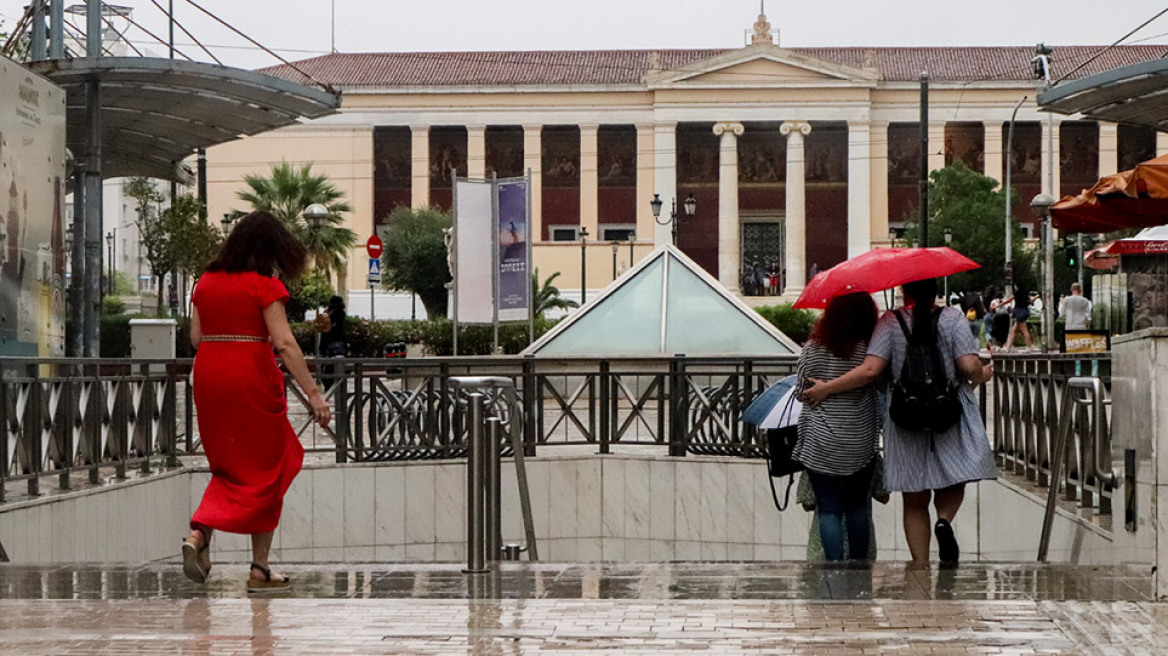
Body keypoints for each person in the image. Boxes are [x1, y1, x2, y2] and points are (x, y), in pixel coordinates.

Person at [182, 211, 332, 591]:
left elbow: (197, 339)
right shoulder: (264, 285)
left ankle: (200, 534)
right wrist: (314, 394)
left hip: (210, 377)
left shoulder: (205, 282)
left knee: (230, 466)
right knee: (270, 465)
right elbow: (284, 343)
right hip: (251, 377)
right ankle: (258, 566)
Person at [804, 278, 996, 567]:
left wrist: (827, 388)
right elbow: (969, 367)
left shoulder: (889, 323)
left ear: (904, 292)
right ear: (935, 292)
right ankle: (944, 521)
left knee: (914, 499)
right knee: (955, 477)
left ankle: (919, 565)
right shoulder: (953, 318)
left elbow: (870, 371)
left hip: (906, 417)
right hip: (948, 413)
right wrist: (985, 373)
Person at [793, 292, 881, 562]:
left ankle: (833, 566)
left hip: (821, 441)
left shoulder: (813, 348)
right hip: (860, 439)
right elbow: (879, 381)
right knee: (856, 507)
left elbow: (801, 392)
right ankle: (858, 566)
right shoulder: (870, 351)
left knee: (829, 509)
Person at [796, 456, 890, 561]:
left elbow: (807, 503)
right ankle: (858, 565)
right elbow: (884, 496)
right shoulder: (872, 455)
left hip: (822, 546)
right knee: (860, 573)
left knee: (829, 513)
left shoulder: (814, 455)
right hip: (863, 542)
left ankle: (834, 567)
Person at [1002, 285, 1033, 350]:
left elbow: (1009, 300)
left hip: (1019, 311)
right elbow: (1031, 301)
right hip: (1025, 310)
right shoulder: (1026, 293)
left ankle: (1029, 346)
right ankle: (1008, 346)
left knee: (1024, 330)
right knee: (1014, 331)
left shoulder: (1017, 293)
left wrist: (1000, 304)